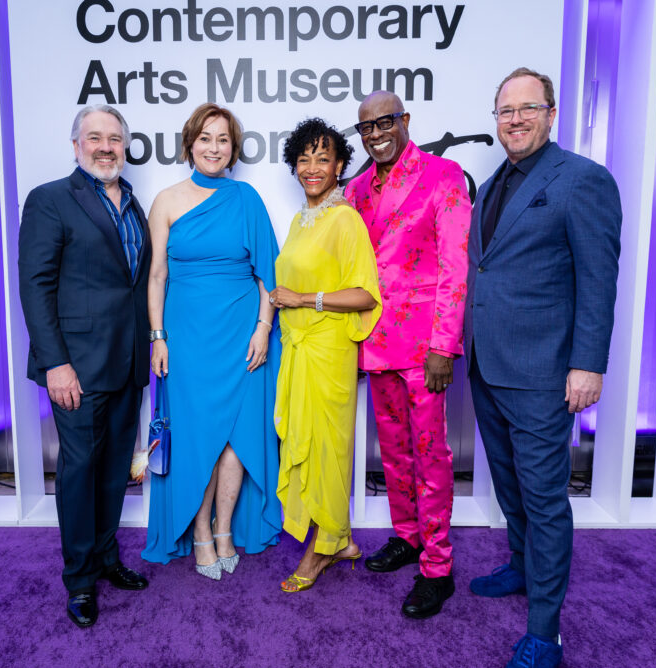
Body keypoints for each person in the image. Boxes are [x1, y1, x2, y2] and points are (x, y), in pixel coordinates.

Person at [466, 67, 621, 668]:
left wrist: (588, 364)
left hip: (542, 372)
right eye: (506, 111)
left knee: (544, 500)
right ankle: (522, 565)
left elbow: (598, 280)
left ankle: (544, 633)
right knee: (509, 488)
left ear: (551, 113)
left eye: (528, 109)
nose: (516, 120)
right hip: (487, 364)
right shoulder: (492, 182)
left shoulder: (582, 180)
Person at [18, 104, 151, 628]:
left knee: (116, 468)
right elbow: (36, 286)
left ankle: (105, 556)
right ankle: (78, 580)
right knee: (79, 472)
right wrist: (55, 364)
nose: (105, 147)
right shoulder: (52, 199)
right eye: (94, 137)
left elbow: (131, 284)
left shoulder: (133, 205)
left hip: (127, 361)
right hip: (75, 367)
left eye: (114, 139)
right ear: (76, 145)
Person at [142, 103, 282, 579]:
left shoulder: (247, 199)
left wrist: (264, 328)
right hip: (187, 337)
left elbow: (270, 276)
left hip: (243, 334)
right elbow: (157, 276)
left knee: (236, 440)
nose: (214, 148)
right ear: (190, 144)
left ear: (233, 148)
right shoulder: (166, 200)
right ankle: (199, 531)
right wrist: (158, 337)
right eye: (205, 138)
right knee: (198, 436)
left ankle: (224, 529)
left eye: (223, 139)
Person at [345, 91, 471, 619]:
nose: (376, 133)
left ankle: (437, 567)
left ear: (405, 121)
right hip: (375, 345)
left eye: (385, 122)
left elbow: (455, 267)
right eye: (366, 127)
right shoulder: (354, 190)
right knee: (393, 452)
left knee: (431, 456)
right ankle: (407, 537)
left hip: (425, 349)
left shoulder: (444, 176)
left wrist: (444, 344)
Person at [269, 118, 382, 592]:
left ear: (340, 166)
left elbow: (365, 295)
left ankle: (320, 551)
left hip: (328, 350)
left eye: (323, 158)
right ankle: (342, 538)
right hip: (297, 348)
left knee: (326, 452)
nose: (312, 167)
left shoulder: (345, 219)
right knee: (309, 446)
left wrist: (304, 300)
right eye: (304, 158)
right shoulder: (300, 219)